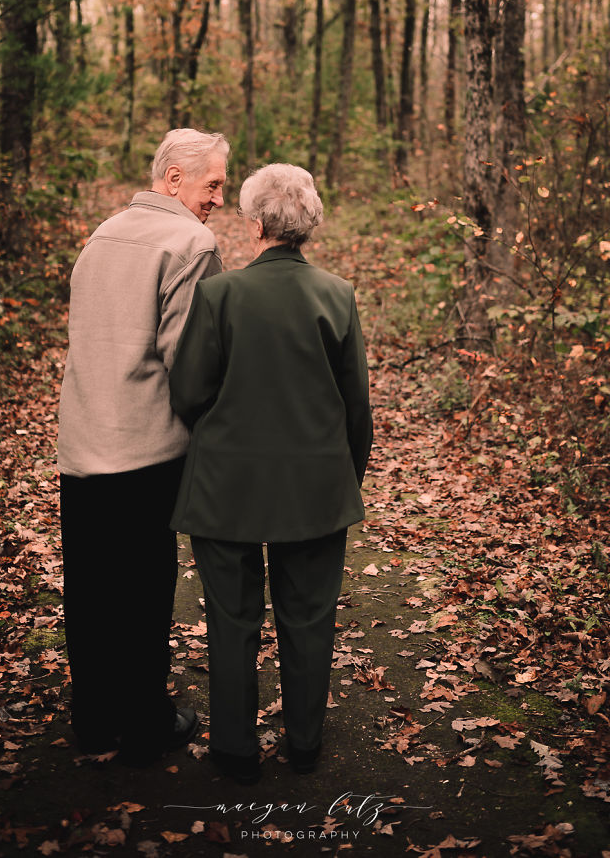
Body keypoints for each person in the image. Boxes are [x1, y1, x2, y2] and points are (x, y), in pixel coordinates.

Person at [168, 163, 373, 785]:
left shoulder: (220, 294)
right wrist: (343, 477)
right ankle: (304, 743)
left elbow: (189, 391)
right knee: (308, 615)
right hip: (314, 487)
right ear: (305, 224)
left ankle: (235, 748)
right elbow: (355, 406)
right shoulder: (336, 294)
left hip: (227, 487)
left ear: (255, 224)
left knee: (232, 617)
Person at [57, 128, 229, 765]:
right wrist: (213, 424)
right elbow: (188, 360)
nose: (219, 198)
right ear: (174, 179)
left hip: (81, 439)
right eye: (212, 183)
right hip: (145, 447)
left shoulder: (103, 232)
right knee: (144, 584)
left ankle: (95, 718)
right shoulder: (192, 242)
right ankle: (146, 720)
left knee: (91, 584)